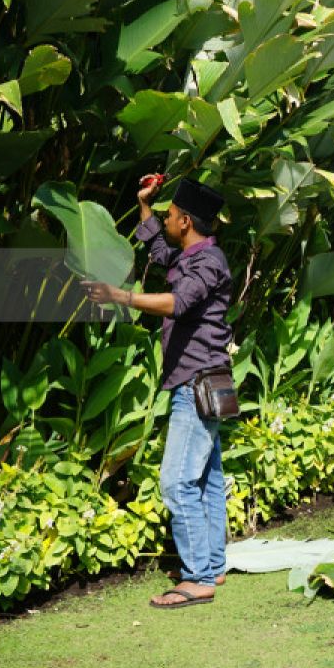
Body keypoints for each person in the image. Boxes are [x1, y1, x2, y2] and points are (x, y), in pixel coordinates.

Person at [82, 175, 233, 609]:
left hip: (197, 381)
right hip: (210, 377)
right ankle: (214, 565)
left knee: (177, 481)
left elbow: (177, 302)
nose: (165, 219)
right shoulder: (194, 252)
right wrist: (143, 204)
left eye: (169, 214)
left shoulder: (208, 263)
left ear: (186, 221)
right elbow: (162, 251)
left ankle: (198, 577)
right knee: (206, 478)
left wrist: (120, 296)